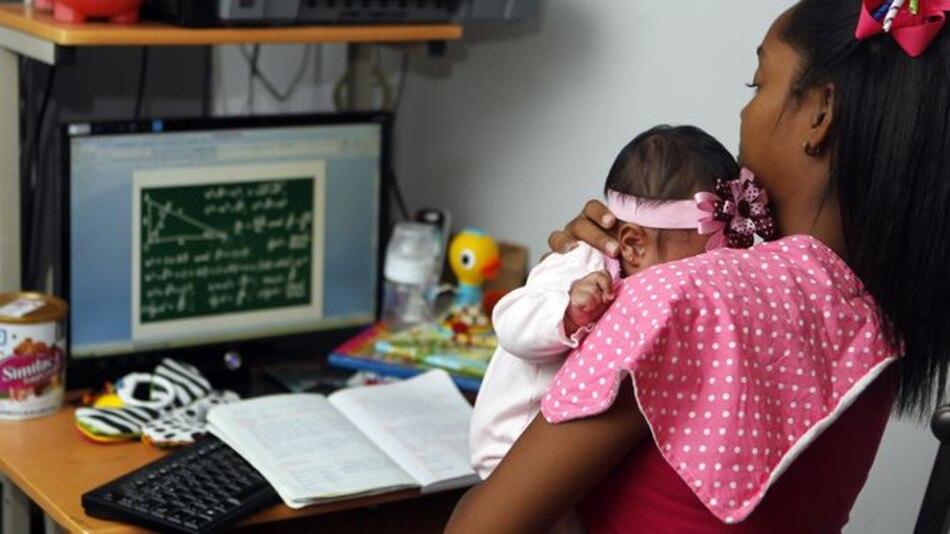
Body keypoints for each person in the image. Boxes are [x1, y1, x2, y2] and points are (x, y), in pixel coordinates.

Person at [448, 0, 950, 532]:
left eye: (757, 85)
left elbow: (479, 527)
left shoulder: (681, 299)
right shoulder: (880, 327)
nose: (743, 114)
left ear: (820, 114)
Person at [469, 125, 741, 533]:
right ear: (632, 245)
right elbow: (510, 322)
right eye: (703, 265)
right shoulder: (578, 265)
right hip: (512, 446)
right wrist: (568, 313)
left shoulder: (655, 283)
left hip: (574, 454)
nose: (707, 281)